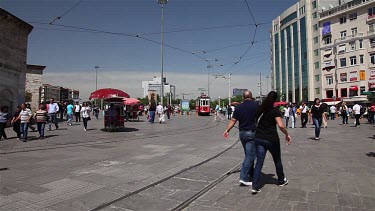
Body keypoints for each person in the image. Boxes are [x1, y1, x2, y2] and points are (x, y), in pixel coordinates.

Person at [251, 91, 292, 194]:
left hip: (259, 138)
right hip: (271, 139)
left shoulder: (260, 109)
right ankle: (281, 180)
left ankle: (255, 186)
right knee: (277, 160)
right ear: (275, 99)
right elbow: (281, 125)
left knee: (259, 162)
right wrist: (287, 134)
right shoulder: (275, 111)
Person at [223, 91, 258, 187]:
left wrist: (227, 130)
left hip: (242, 133)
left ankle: (252, 174)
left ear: (243, 98)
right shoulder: (256, 106)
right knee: (251, 156)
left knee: (248, 154)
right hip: (251, 133)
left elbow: (233, 120)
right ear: (251, 97)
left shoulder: (239, 107)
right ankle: (244, 178)